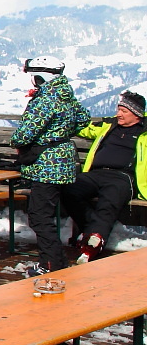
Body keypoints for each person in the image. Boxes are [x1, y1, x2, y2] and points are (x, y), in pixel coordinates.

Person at [9, 57, 90, 274]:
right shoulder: (65, 94)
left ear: (41, 76)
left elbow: (23, 134)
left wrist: (35, 139)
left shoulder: (46, 99)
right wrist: (59, 134)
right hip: (63, 161)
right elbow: (83, 119)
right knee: (45, 214)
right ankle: (57, 261)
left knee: (39, 216)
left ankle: (51, 264)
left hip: (47, 165)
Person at [61, 90, 146, 262]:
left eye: (124, 111)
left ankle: (92, 243)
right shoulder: (109, 126)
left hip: (124, 177)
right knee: (69, 189)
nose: (118, 114)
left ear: (136, 114)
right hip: (96, 173)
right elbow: (84, 130)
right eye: (119, 109)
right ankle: (93, 232)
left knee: (109, 200)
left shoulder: (144, 131)